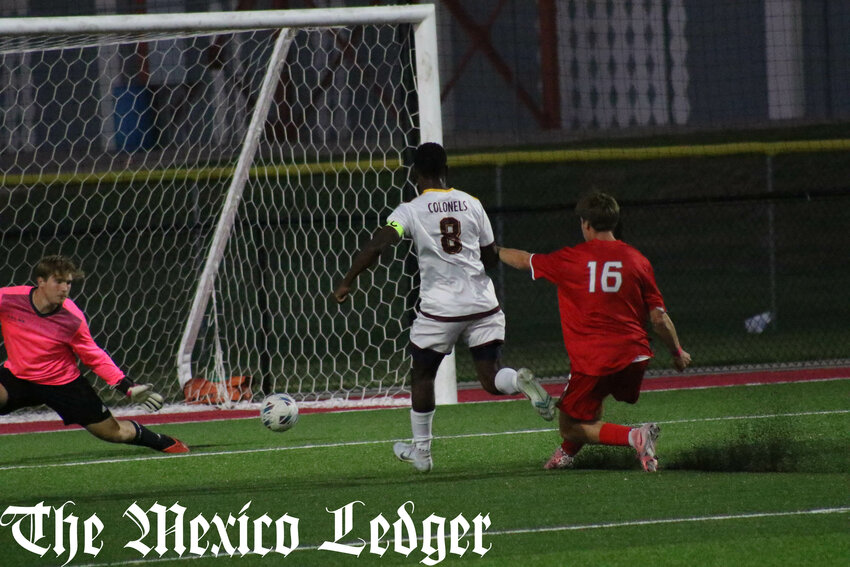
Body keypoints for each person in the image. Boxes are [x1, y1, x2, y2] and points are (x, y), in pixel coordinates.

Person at [333, 142, 554, 472]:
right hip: (483, 304)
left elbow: (379, 244)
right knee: (491, 377)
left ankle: (422, 452)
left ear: (415, 174)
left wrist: (349, 278)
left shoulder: (409, 210)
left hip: (441, 310)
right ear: (446, 170)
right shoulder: (472, 203)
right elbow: (490, 257)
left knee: (422, 376)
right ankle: (518, 381)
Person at [498, 192, 691, 472]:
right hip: (635, 358)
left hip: (595, 361)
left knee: (570, 426)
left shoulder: (572, 258)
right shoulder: (638, 260)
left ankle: (635, 436)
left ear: (586, 224)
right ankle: (564, 456)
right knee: (591, 403)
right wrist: (677, 352)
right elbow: (659, 320)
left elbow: (523, 260)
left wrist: (493, 250)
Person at [0, 255, 188, 453]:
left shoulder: (72, 319)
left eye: (68, 283)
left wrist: (127, 387)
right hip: (18, 376)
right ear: (41, 282)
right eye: (58, 281)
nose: (64, 288)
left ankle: (163, 441)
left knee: (114, 433)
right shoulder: (9, 299)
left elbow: (93, 356)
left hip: (63, 384)